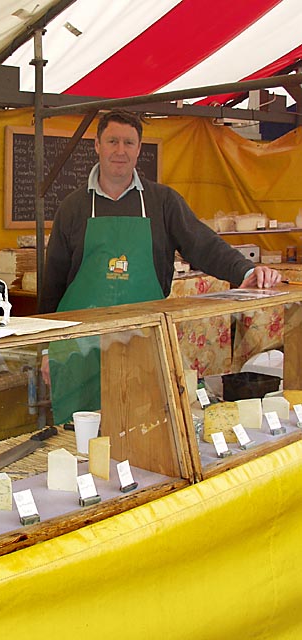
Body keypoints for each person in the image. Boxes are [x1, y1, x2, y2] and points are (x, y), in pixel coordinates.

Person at [38, 109, 281, 422]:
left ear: (139, 149)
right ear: (97, 145)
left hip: (143, 342)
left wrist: (246, 271)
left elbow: (203, 245)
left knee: (144, 429)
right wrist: (46, 349)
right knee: (78, 437)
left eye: (129, 142)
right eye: (112, 141)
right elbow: (53, 283)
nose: (120, 150)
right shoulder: (73, 207)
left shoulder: (163, 202)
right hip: (79, 349)